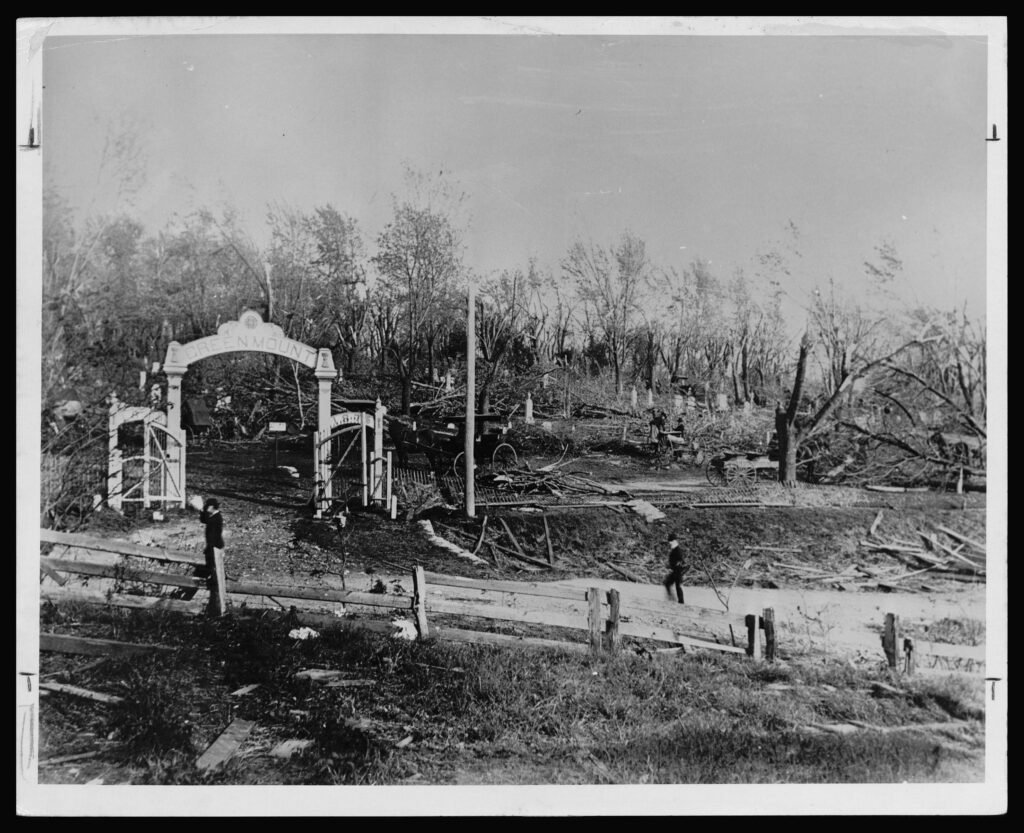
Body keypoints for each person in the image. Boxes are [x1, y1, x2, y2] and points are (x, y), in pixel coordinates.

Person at [198, 498, 225, 581]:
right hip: (213, 545)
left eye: (207, 506)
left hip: (215, 545)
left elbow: (208, 522)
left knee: (213, 565)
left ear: (212, 506)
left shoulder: (216, 518)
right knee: (211, 565)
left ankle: (213, 579)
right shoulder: (215, 516)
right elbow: (204, 520)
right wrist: (202, 511)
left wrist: (210, 547)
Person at [662, 531, 687, 604]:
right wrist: (670, 566)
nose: (669, 543)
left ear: (674, 541)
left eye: (670, 541)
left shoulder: (677, 550)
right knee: (668, 583)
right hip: (675, 571)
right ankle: (672, 599)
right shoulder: (674, 549)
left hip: (678, 571)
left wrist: (674, 566)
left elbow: (680, 561)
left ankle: (680, 602)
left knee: (677, 586)